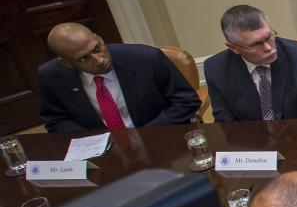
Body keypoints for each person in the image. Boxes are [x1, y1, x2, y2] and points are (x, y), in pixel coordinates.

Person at [37, 22, 200, 132]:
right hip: (102, 152)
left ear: (98, 38)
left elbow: (186, 101)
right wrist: (97, 142)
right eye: (84, 58)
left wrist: (143, 135)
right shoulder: (51, 75)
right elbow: (56, 120)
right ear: (66, 63)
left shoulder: (145, 59)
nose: (99, 60)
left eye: (97, 48)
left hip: (157, 138)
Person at [203, 5, 297, 122]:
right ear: (233, 48)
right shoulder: (215, 70)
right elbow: (226, 123)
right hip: (252, 144)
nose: (268, 48)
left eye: (269, 37)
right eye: (255, 44)